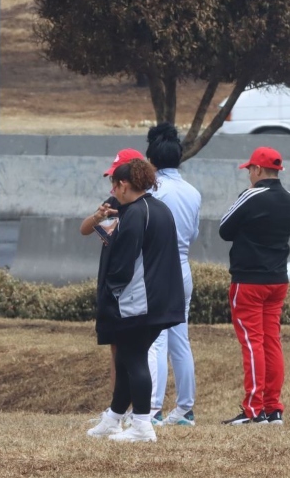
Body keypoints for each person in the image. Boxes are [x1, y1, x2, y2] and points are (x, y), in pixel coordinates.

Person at [85, 158, 186, 442]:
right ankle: (115, 418)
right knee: (130, 358)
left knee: (133, 358)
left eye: (114, 185)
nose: (113, 190)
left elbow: (123, 261)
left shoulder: (134, 214)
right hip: (162, 297)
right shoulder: (160, 208)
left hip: (139, 299)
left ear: (123, 185)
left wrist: (111, 290)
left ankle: (142, 424)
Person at [218, 147, 290, 426]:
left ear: (258, 170)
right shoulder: (289, 200)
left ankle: (254, 409)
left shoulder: (252, 195)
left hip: (249, 279)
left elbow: (224, 228)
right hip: (277, 279)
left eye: (249, 169)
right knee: (271, 340)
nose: (249, 175)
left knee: (252, 343)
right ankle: (273, 407)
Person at [142, 125, 201, 427]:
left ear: (151, 159)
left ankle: (152, 410)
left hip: (157, 269)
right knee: (180, 338)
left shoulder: (152, 191)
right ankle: (185, 409)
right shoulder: (192, 192)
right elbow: (192, 233)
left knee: (155, 340)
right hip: (182, 267)